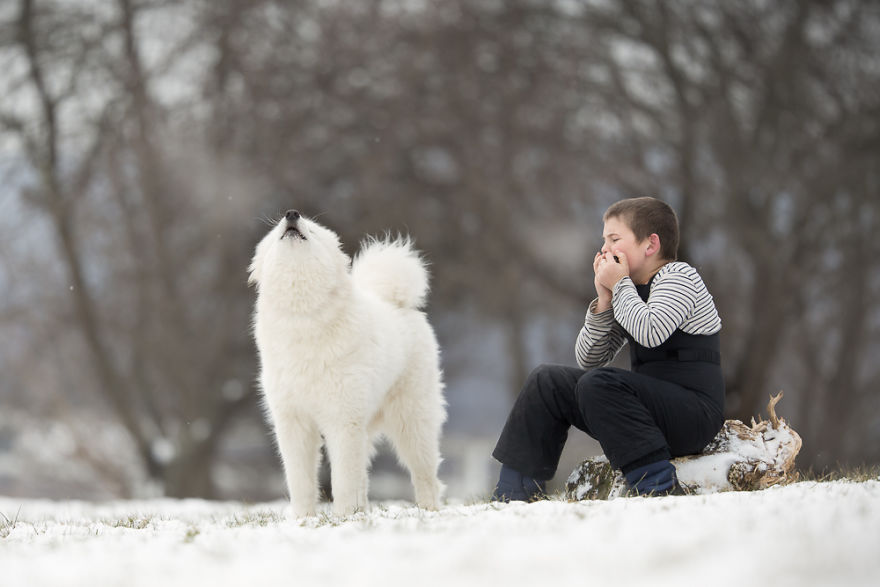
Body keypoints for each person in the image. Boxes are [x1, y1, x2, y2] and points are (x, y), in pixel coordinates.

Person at [491, 197, 724, 500]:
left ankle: (657, 486)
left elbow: (650, 331)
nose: (605, 250)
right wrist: (604, 301)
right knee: (546, 381)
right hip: (645, 412)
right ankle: (515, 492)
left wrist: (620, 286)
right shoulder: (627, 289)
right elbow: (590, 358)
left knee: (598, 384)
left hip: (693, 416)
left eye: (615, 240)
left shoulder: (679, 277)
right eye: (604, 241)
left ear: (650, 245)